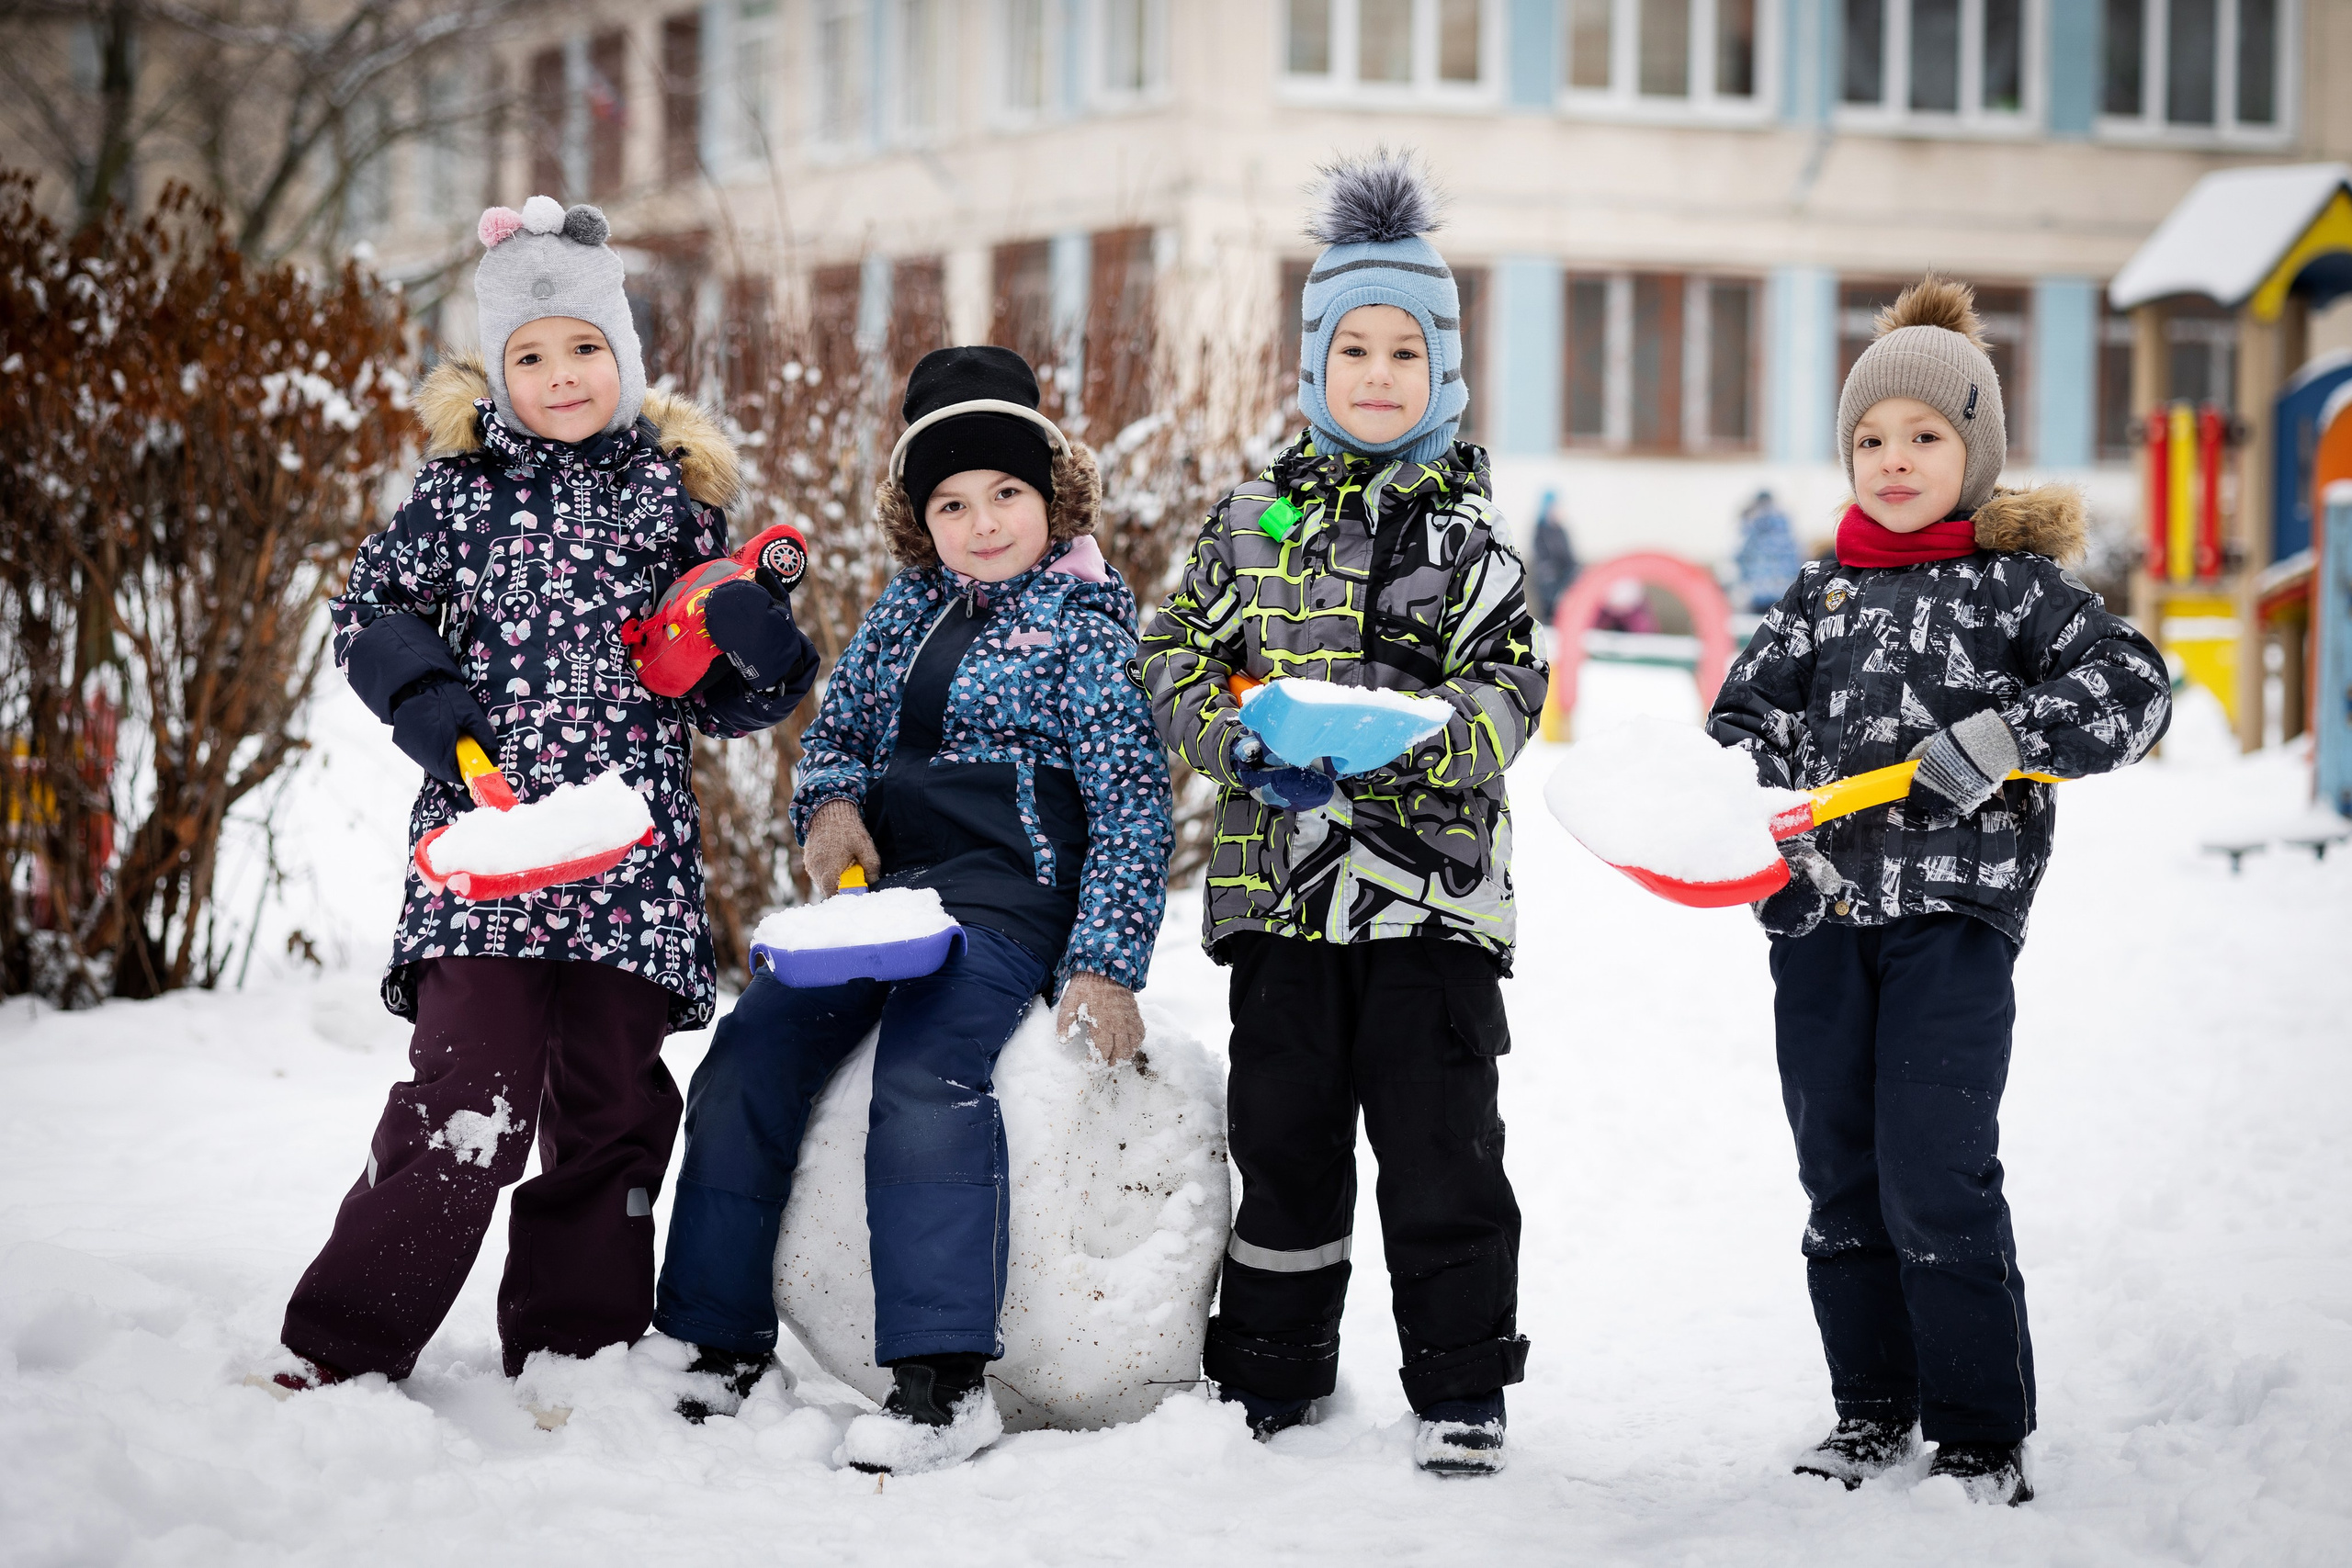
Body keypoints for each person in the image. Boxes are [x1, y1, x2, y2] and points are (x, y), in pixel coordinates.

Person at [258, 197, 818, 1396]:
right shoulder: (456, 495)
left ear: (623, 356)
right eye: (530, 353)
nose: (560, 374)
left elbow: (711, 689)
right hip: (492, 846)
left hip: (630, 860)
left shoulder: (674, 501)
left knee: (613, 1109)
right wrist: (425, 696)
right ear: (495, 371)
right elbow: (372, 609)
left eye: (583, 348)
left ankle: (581, 1347)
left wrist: (758, 647)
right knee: (471, 1095)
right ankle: (344, 1339)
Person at [650, 345, 1174, 1474]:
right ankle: (710, 1338)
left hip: (1006, 902)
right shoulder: (902, 616)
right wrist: (829, 814)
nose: (982, 522)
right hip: (885, 899)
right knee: (751, 1048)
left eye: (1006, 495)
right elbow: (836, 737)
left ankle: (941, 1382)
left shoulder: (1083, 626)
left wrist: (1106, 963)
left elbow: (1132, 803)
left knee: (928, 1070)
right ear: (917, 515)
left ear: (1052, 498)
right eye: (951, 502)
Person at [1708, 276, 2171, 1506]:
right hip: (1817, 924)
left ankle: (1976, 1426)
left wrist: (2011, 734)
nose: (1894, 457)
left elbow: (2137, 691)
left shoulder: (2016, 592)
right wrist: (1736, 786)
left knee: (1935, 1164)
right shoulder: (1818, 598)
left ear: (1976, 451)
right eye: (1871, 437)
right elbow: (1739, 719)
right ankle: (1870, 1409)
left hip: (1956, 922)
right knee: (1842, 1171)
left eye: (1925, 434)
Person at [1135, 151, 1545, 1476]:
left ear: (1444, 372)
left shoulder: (1476, 544)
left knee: (1441, 1149)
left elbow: (1512, 688)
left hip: (1431, 897)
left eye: (1404, 353)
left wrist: (1418, 733)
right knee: (1286, 1140)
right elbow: (1174, 658)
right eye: (1353, 348)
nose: (1378, 375)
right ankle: (1270, 1369)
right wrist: (1245, 743)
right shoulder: (1248, 523)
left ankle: (1462, 1381)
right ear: (1316, 364)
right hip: (1284, 895)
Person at [1732, 489, 1801, 613]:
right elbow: (1796, 558)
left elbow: (1739, 556)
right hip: (1783, 592)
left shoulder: (1751, 521)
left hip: (1754, 593)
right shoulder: (1783, 522)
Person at [1529, 491, 1579, 628]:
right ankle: (1549, 621)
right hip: (1549, 579)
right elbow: (1541, 556)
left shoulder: (1561, 531)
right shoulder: (1540, 530)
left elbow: (1569, 556)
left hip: (1564, 575)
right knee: (1548, 579)